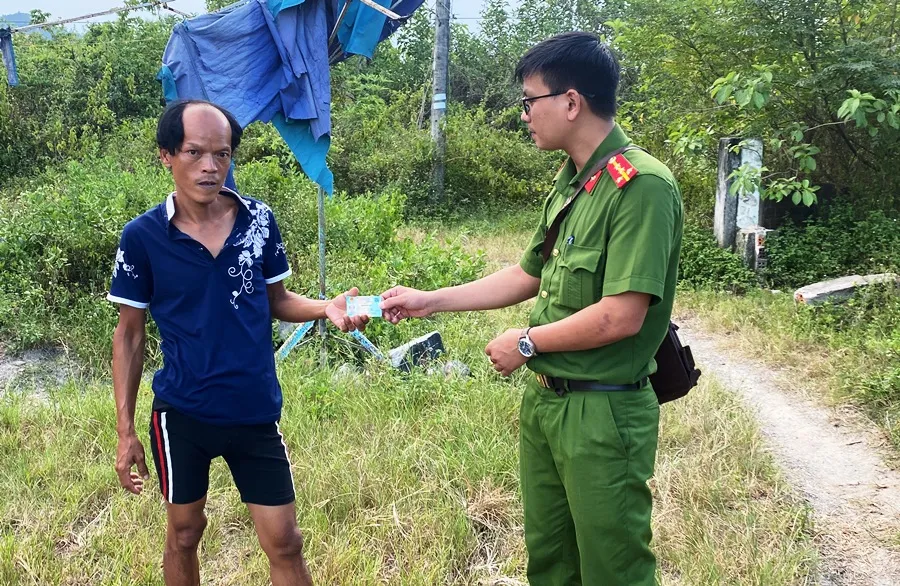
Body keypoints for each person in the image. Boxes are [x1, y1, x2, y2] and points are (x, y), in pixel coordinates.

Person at [380, 32, 683, 586]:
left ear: (571, 102)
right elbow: (527, 274)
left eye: (528, 101)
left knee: (613, 567)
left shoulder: (641, 186)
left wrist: (527, 342)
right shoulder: (575, 182)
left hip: (603, 413)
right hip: (546, 404)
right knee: (550, 562)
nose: (524, 115)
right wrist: (430, 302)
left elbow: (622, 315)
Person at [108, 99, 368, 586]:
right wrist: (125, 430)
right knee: (185, 533)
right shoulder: (142, 237)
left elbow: (278, 300)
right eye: (195, 153)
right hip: (182, 413)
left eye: (222, 155)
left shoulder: (258, 221)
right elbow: (130, 333)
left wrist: (324, 307)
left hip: (253, 409)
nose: (210, 167)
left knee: (285, 541)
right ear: (167, 155)